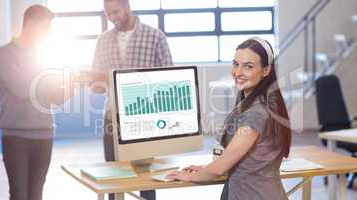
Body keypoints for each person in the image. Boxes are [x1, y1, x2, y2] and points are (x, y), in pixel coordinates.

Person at [167, 37, 292, 200]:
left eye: (248, 66)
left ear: (266, 70)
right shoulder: (263, 103)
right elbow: (241, 161)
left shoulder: (255, 114)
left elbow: (220, 169)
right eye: (235, 64)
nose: (238, 72)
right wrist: (206, 169)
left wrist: (190, 176)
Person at [89, 0, 173, 199]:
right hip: (112, 118)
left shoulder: (155, 36)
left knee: (146, 180)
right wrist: (94, 83)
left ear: (127, 8)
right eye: (108, 14)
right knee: (113, 180)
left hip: (144, 120)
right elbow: (97, 85)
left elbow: (169, 79)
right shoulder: (103, 40)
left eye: (116, 12)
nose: (112, 18)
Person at [0, 5, 73, 200]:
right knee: (20, 195)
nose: (48, 33)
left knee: (36, 194)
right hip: (16, 136)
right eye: (44, 27)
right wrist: (49, 82)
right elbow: (21, 88)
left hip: (44, 133)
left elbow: (56, 98)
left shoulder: (45, 56)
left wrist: (71, 85)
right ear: (29, 24)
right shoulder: (4, 54)